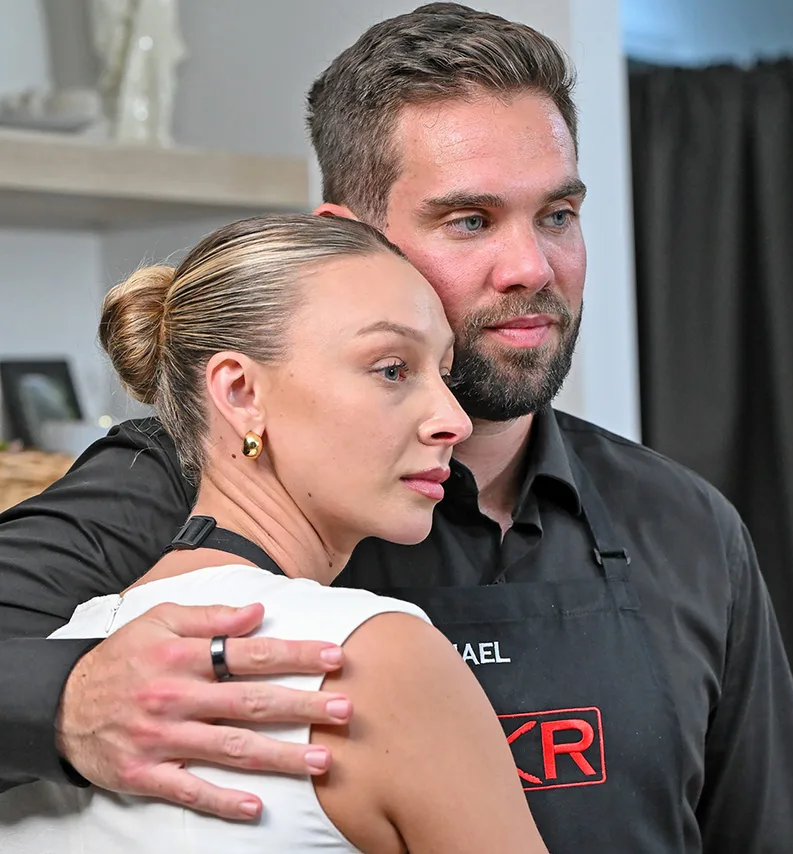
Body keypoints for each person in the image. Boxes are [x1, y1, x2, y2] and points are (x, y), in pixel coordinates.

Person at [0, 3, 793, 851]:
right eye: (470, 221)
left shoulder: (684, 526)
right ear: (347, 242)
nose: (531, 268)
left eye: (557, 215)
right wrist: (69, 701)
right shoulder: (178, 484)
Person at [0, 213, 550, 853]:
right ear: (240, 393)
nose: (455, 419)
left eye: (445, 373)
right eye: (392, 369)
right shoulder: (374, 656)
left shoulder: (74, 646)